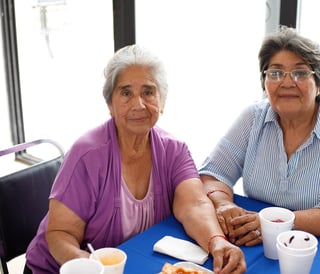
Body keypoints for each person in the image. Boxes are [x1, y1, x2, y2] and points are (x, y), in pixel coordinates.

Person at [25, 45, 246, 274]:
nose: (139, 104)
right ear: (110, 104)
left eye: (148, 92)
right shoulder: (87, 155)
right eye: (126, 93)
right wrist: (92, 267)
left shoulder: (175, 150)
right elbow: (59, 234)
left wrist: (217, 240)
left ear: (162, 101)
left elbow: (194, 205)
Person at [199, 26, 320, 247]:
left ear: (319, 84)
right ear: (265, 83)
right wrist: (222, 203)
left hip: (317, 247)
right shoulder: (253, 117)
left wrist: (280, 223)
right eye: (275, 73)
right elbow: (212, 173)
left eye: (300, 73)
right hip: (256, 240)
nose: (287, 82)